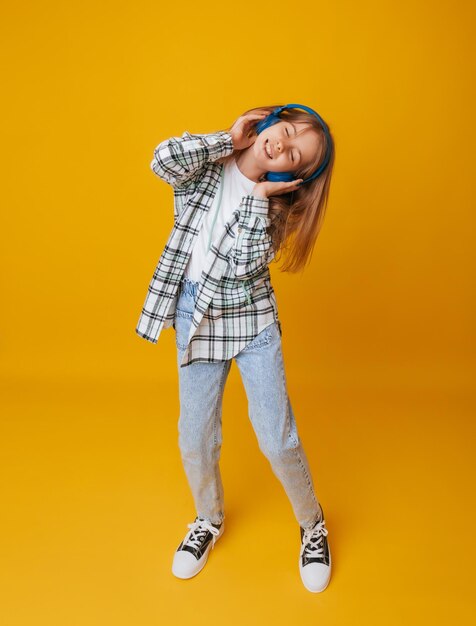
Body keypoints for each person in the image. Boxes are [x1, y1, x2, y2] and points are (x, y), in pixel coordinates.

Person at [135, 104, 335, 593]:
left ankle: (313, 525)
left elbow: (237, 262)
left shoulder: (276, 208)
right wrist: (228, 138)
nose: (283, 146)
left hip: (252, 321)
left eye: (296, 155)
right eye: (286, 132)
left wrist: (259, 196)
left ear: (296, 174)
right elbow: (161, 159)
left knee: (276, 437)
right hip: (196, 316)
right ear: (270, 122)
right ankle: (208, 519)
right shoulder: (207, 168)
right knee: (195, 437)